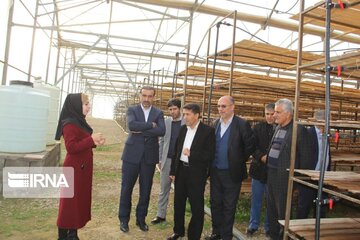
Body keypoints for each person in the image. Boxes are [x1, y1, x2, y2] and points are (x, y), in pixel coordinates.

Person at [55, 93, 105, 240]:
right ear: (76, 105)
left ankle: (72, 233)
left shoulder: (78, 121)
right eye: (86, 104)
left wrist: (94, 142)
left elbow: (82, 142)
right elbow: (71, 147)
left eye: (89, 103)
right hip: (74, 169)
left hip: (81, 168)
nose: (88, 107)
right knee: (69, 203)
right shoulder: (69, 123)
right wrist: (91, 139)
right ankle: (63, 236)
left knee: (76, 203)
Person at [205, 96, 255, 240]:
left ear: (232, 107)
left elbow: (249, 146)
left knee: (229, 205)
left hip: (232, 173)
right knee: (215, 203)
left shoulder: (242, 124)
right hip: (215, 171)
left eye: (224, 106)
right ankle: (216, 232)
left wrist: (237, 160)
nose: (220, 109)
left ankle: (226, 235)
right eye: (219, 106)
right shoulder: (215, 124)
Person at [118, 86, 165, 233]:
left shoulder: (158, 112)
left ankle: (141, 219)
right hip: (131, 155)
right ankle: (124, 220)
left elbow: (162, 130)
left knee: (145, 190)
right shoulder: (132, 110)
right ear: (140, 96)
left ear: (154, 97)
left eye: (150, 96)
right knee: (126, 189)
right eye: (144, 95)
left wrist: (141, 130)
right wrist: (151, 125)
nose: (146, 99)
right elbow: (131, 125)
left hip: (149, 158)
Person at [167, 103, 215, 240]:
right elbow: (177, 151)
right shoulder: (183, 129)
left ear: (197, 115)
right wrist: (173, 170)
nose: (185, 117)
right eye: (184, 114)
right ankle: (178, 231)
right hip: (181, 170)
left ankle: (194, 235)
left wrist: (192, 153)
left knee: (197, 207)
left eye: (188, 114)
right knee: (178, 203)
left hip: (196, 173)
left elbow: (210, 154)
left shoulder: (207, 131)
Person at [266, 98, 312, 240]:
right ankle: (274, 236)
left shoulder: (299, 130)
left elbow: (305, 158)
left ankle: (284, 236)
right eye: (274, 112)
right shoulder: (278, 127)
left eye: (278, 112)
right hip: (272, 174)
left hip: (285, 178)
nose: (274, 115)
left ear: (288, 113)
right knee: (272, 209)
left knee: (283, 211)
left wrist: (297, 181)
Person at [151, 98, 184, 225]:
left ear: (179, 109)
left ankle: (178, 218)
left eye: (174, 109)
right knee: (164, 188)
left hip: (181, 162)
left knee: (180, 190)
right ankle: (160, 215)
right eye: (170, 109)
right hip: (167, 160)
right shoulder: (166, 122)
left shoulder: (186, 122)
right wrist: (159, 159)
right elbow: (162, 141)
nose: (172, 112)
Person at [247, 103, 276, 236]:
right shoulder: (258, 128)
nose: (269, 117)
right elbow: (252, 146)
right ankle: (253, 224)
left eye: (272, 114)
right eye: (267, 114)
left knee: (271, 201)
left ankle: (269, 227)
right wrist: (261, 156)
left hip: (274, 172)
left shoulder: (282, 128)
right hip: (259, 169)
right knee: (256, 199)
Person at [296, 109, 331, 219]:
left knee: (321, 207)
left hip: (323, 178)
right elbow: (300, 155)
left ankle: (317, 231)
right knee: (304, 206)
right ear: (318, 121)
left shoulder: (326, 135)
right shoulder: (307, 133)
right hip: (309, 177)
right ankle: (299, 232)